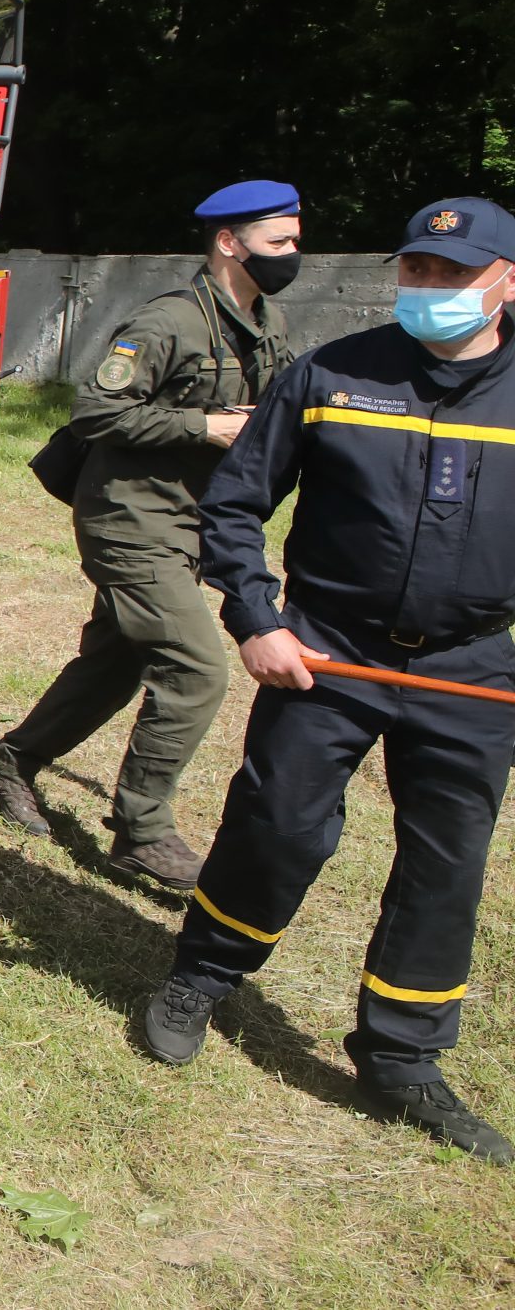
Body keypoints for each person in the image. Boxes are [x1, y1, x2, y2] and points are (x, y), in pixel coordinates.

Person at [137, 196, 515, 1165]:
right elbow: (234, 505)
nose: (428, 290)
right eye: (417, 273)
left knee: (445, 864)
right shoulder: (337, 374)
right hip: (329, 651)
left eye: (454, 275)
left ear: (505, 280)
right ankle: (202, 976)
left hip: (473, 670)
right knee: (278, 823)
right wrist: (257, 619)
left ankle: (403, 1056)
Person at [0, 181, 302, 888]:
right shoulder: (170, 321)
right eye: (280, 242)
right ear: (230, 243)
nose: (293, 254)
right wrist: (205, 426)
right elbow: (95, 410)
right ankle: (142, 830)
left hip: (191, 520)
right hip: (129, 518)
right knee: (198, 667)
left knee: (115, 663)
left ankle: (4, 765)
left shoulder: (266, 324)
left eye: (295, 240)